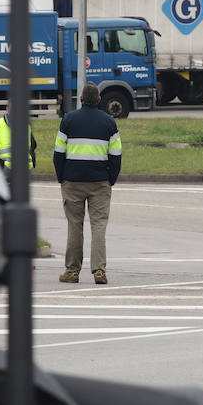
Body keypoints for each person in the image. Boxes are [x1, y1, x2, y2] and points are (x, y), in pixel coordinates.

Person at [55, 82, 122, 284]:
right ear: (100, 100)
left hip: (72, 181)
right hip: (100, 182)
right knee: (99, 226)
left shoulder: (68, 120)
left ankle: (72, 271)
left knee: (75, 225)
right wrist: (111, 179)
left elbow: (58, 154)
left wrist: (62, 177)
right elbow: (116, 156)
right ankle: (99, 271)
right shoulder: (109, 122)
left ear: (81, 99)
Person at [0, 107, 37, 175]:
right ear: (7, 109)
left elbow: (32, 146)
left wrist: (31, 164)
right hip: (4, 176)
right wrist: (2, 166)